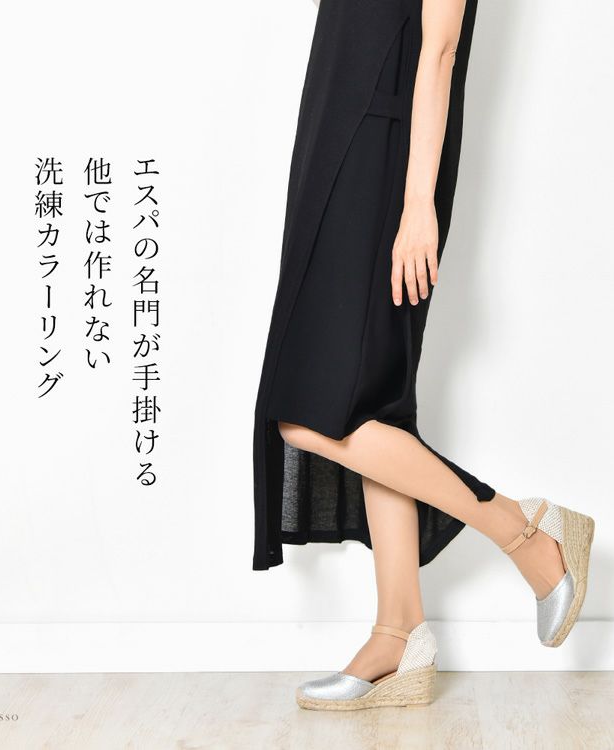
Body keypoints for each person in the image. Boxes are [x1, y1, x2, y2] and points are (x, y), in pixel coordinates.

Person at [252, 0, 595, 710]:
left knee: (310, 413)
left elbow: (438, 51)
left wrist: (417, 206)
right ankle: (398, 631)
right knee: (373, 407)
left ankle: (528, 534)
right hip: (331, 143)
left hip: (383, 164)